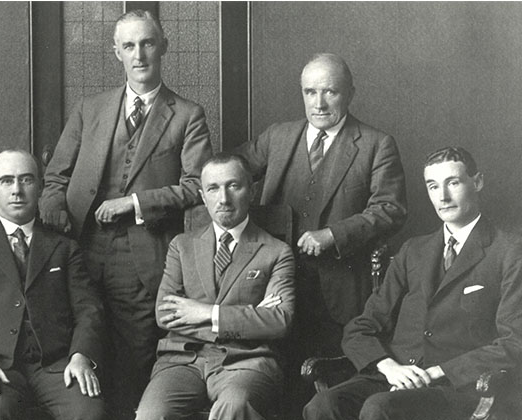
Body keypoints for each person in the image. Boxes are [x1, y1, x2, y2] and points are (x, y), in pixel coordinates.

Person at [41, 10, 213, 416]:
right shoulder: (90, 108)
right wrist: (54, 218)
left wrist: (135, 203)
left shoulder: (187, 114)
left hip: (143, 258)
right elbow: (55, 178)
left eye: (148, 43)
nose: (139, 55)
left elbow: (197, 185)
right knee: (77, 350)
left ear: (163, 47)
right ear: (116, 52)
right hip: (80, 251)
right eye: (129, 46)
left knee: (133, 360)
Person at [236, 53, 407, 412]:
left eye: (330, 92)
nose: (319, 103)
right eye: (310, 92)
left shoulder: (376, 144)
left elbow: (390, 209)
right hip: (275, 286)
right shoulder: (278, 136)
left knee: (326, 390)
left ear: (350, 93)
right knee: (273, 385)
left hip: (339, 290)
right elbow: (228, 171)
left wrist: (333, 235)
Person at [304, 146, 522, 420]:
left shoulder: (510, 251)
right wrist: (389, 367)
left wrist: (438, 372)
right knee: (323, 405)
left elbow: (515, 341)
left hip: (457, 386)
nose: (442, 197)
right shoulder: (414, 251)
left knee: (380, 408)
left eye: (453, 183)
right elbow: (361, 327)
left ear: (477, 182)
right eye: (433, 186)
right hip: (397, 374)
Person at [0, 150, 105, 419]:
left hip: (56, 366)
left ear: (40, 187)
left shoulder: (64, 247)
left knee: (89, 412)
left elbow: (89, 311)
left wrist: (80, 356)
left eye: (26, 180)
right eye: (6, 181)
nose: (17, 190)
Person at [136, 152, 295, 420]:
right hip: (183, 360)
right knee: (151, 414)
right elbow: (165, 315)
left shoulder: (276, 251)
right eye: (213, 188)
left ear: (252, 191)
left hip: (246, 361)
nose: (223, 198)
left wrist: (206, 313)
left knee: (233, 407)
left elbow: (279, 320)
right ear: (202, 195)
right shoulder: (181, 246)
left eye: (233, 186)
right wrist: (250, 317)